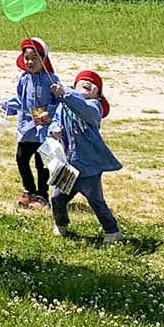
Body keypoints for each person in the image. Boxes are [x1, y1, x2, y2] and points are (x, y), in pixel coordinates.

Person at [46, 69, 122, 243]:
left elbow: (85, 110)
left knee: (96, 202)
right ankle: (61, 224)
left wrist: (66, 94)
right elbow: (55, 121)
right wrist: (54, 131)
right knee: (57, 197)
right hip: (68, 166)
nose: (88, 82)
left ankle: (112, 231)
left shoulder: (94, 107)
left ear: (98, 96)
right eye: (83, 80)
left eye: (93, 84)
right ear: (74, 86)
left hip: (88, 169)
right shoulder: (62, 106)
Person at [0, 37, 58, 207]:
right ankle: (29, 190)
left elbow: (60, 102)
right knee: (21, 159)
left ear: (44, 59)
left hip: (43, 131)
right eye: (27, 58)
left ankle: (42, 195)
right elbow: (19, 101)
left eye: (34, 58)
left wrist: (49, 113)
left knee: (42, 164)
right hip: (26, 129)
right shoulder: (24, 79)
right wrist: (3, 105)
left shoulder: (50, 79)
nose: (30, 62)